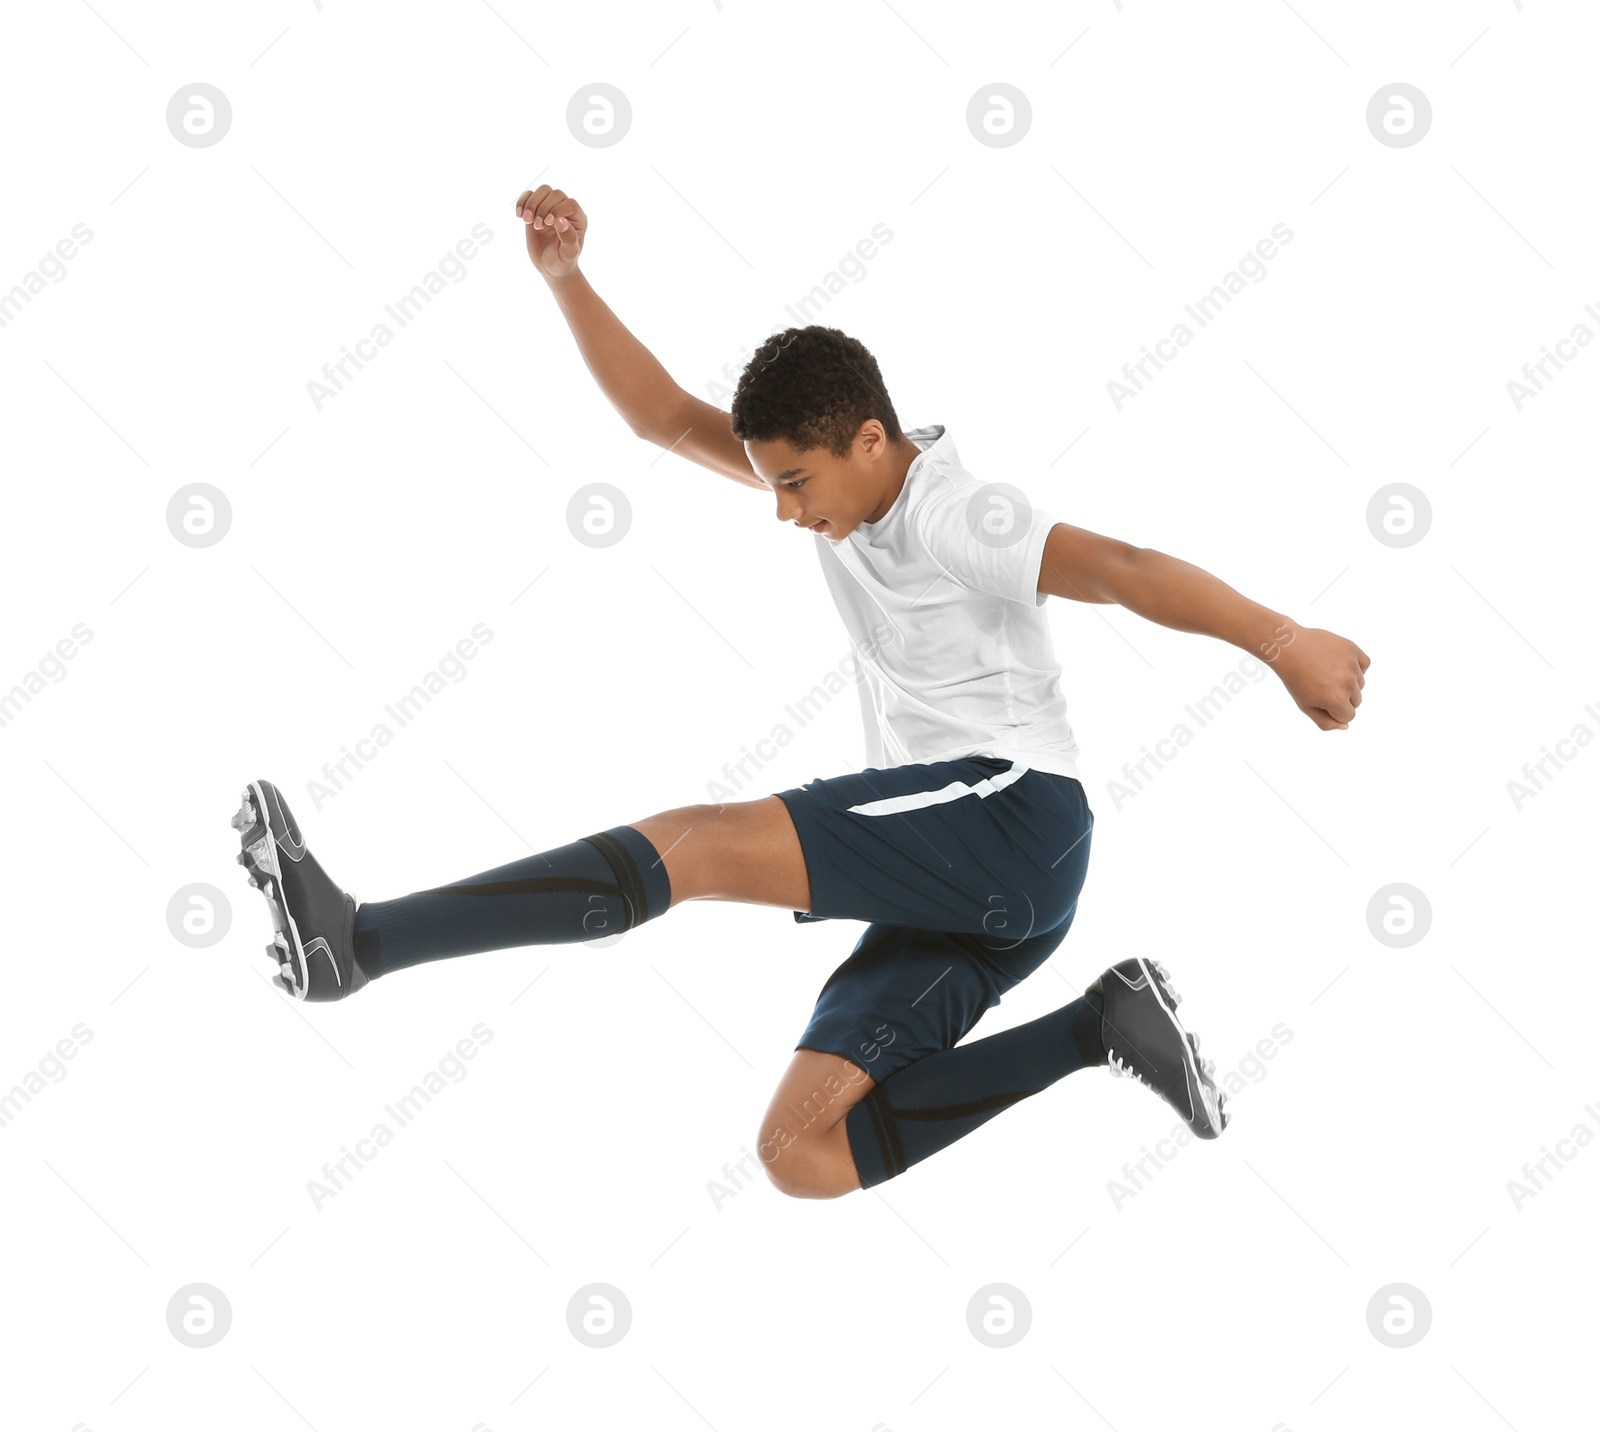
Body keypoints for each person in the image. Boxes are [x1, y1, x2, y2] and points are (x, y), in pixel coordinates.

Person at [230, 184, 1370, 1199]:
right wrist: (568, 279)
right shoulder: (848, 486)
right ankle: (1097, 1025)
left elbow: (1120, 570)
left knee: (696, 842)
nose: (782, 510)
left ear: (870, 440)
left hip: (1009, 815)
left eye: (795, 483)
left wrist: (1282, 640)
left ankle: (362, 944)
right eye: (771, 481)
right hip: (984, 896)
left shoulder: (955, 513)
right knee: (803, 1156)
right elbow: (671, 418)